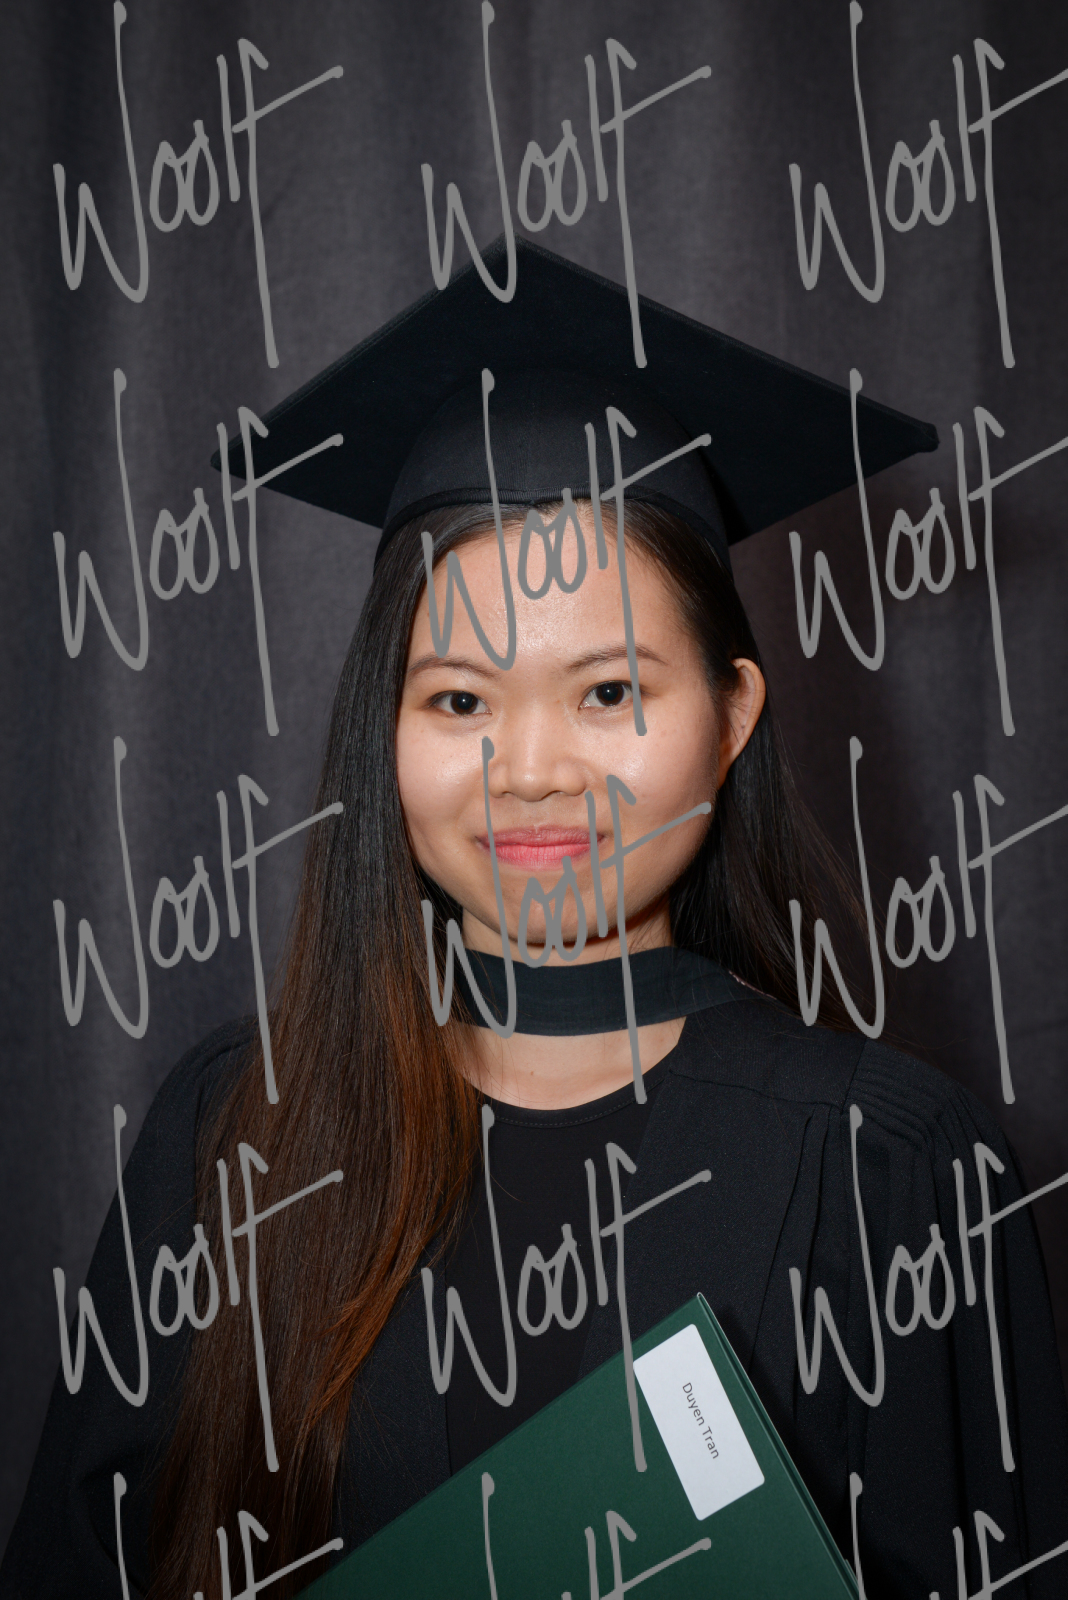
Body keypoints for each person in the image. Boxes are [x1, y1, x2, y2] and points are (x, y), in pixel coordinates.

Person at [3, 239, 1067, 1600]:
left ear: (731, 715)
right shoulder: (232, 1139)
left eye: (610, 693)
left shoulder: (895, 1169)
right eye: (460, 700)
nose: (533, 770)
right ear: (383, 730)